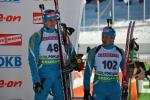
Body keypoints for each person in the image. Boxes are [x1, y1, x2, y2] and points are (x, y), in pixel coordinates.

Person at [28, 9, 76, 100]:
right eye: (50, 20)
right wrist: (36, 81)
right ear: (44, 21)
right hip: (44, 75)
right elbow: (32, 59)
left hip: (58, 74)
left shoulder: (60, 34)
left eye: (54, 20)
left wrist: (74, 59)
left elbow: (70, 48)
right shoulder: (37, 36)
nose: (53, 23)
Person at [83, 26, 124, 100]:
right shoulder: (94, 51)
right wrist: (86, 91)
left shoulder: (120, 52)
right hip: (99, 90)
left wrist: (125, 85)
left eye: (106, 37)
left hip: (114, 90)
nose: (103, 39)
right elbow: (87, 72)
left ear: (112, 38)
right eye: (102, 36)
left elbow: (126, 71)